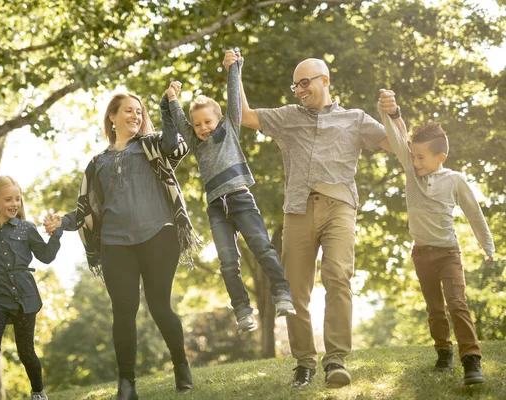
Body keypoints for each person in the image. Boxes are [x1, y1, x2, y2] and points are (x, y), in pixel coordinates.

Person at [223, 50, 407, 388]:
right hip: (298, 209)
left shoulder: (354, 119)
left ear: (325, 80)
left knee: (338, 276)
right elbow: (245, 116)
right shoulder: (288, 116)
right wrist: (235, 71)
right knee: (294, 290)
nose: (300, 89)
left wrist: (393, 114)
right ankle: (304, 362)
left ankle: (336, 359)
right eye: (296, 85)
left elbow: (397, 145)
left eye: (305, 82)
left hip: (339, 206)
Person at [43, 92, 198, 400]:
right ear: (112, 117)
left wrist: (167, 107)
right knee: (123, 311)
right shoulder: (96, 163)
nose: (135, 116)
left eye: (139, 112)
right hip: (115, 244)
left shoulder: (152, 145)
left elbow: (176, 145)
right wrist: (62, 220)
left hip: (159, 236)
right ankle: (126, 384)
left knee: (159, 306)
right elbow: (88, 209)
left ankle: (181, 366)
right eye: (128, 111)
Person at [160, 59, 295, 333]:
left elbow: (234, 98)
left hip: (240, 199)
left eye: (207, 121)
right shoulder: (196, 143)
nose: (202, 128)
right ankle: (243, 311)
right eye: (197, 125)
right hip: (216, 208)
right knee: (227, 261)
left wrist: (233, 67)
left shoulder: (230, 127)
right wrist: (173, 97)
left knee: (262, 247)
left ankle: (282, 294)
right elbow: (181, 123)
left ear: (219, 119)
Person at [378, 89, 494, 385]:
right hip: (421, 254)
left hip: (448, 253)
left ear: (440, 157)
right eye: (413, 155)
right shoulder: (410, 170)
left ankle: (472, 360)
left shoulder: (454, 180)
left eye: (421, 157)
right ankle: (444, 352)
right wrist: (387, 112)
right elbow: (395, 136)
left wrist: (487, 246)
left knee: (457, 303)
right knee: (434, 308)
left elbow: (473, 213)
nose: (415, 161)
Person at [0, 175, 62, 400]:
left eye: (17, 199)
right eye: (8, 199)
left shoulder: (27, 228)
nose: (14, 204)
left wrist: (56, 234)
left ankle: (38, 391)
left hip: (24, 296)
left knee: (26, 351)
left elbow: (46, 256)